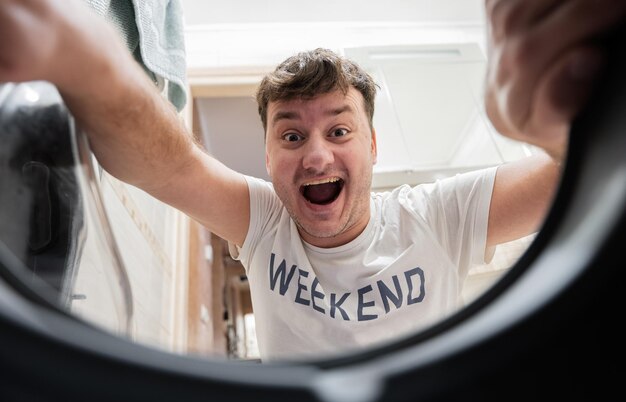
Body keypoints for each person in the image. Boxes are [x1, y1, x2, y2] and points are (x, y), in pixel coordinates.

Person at [1, 0, 624, 362]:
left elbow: (577, 181)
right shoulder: (264, 220)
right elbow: (166, 164)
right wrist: (84, 56)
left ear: (373, 145)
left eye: (340, 131)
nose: (317, 157)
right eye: (292, 136)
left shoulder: (439, 216)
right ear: (268, 156)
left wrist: (553, 120)